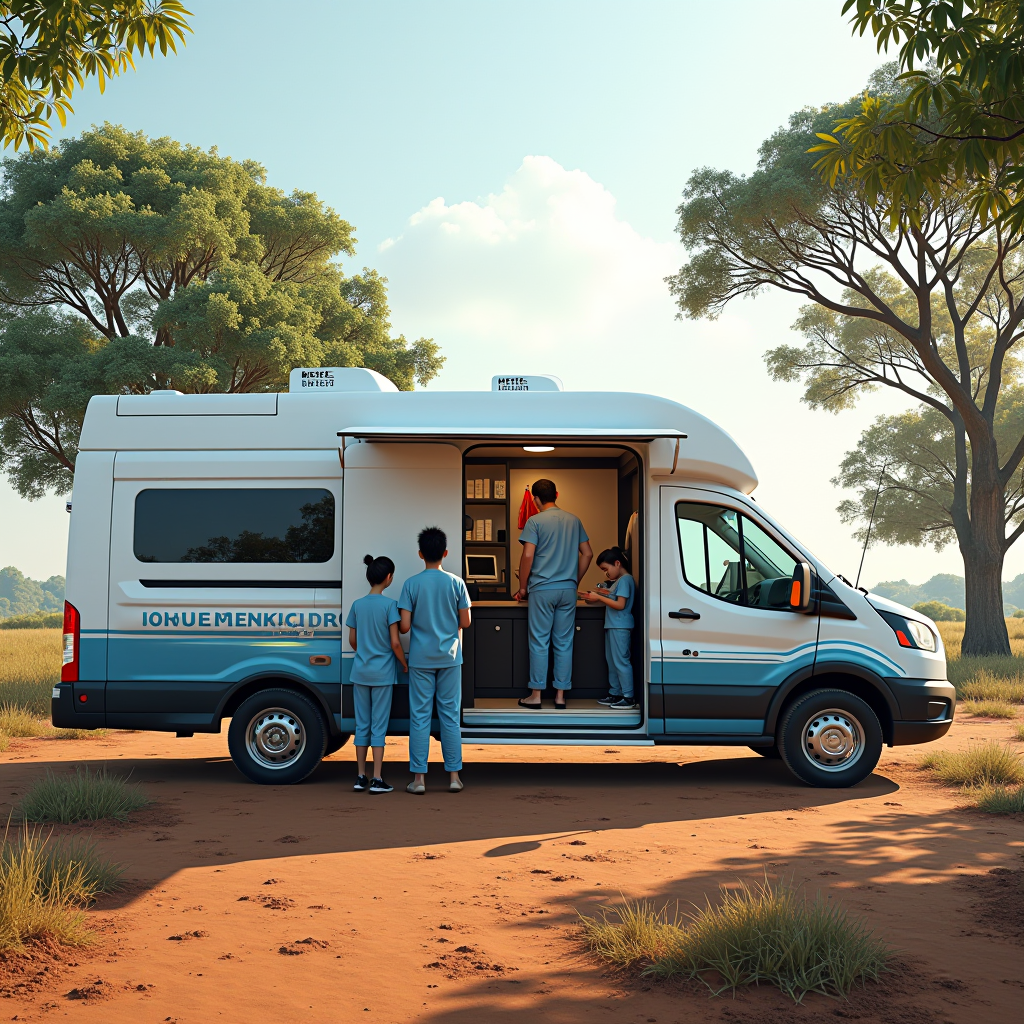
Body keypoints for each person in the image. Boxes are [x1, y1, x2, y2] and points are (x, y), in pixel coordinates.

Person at [398, 526, 472, 794]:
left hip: (420, 659)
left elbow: (404, 627)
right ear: (445, 553)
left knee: (419, 718)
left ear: (420, 554)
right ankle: (454, 777)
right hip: (450, 658)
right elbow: (465, 621)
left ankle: (418, 780)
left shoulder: (411, 584)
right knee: (449, 717)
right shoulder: (456, 582)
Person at [514, 479, 593, 708]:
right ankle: (560, 696)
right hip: (567, 590)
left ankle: (536, 696)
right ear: (556, 494)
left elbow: (528, 556)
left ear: (536, 499)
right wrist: (573, 580)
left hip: (542, 589)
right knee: (564, 643)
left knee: (539, 641)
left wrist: (522, 587)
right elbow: (587, 554)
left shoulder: (535, 521)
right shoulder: (574, 520)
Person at [345, 554, 408, 793]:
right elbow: (395, 642)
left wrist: (365, 654)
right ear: (389, 578)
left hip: (360, 672)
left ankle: (360, 776)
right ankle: (377, 779)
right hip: (382, 675)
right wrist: (403, 663)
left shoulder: (357, 605)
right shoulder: (390, 605)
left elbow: (353, 640)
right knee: (378, 727)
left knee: (362, 725)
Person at [581, 546, 637, 710]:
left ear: (617, 563)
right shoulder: (619, 581)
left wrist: (598, 596)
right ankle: (616, 693)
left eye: (606, 569)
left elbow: (620, 604)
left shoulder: (625, 580)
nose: (606, 574)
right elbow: (613, 599)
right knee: (612, 661)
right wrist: (598, 596)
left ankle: (628, 697)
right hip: (614, 625)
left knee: (621, 661)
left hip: (620, 626)